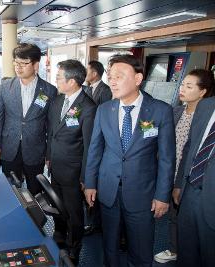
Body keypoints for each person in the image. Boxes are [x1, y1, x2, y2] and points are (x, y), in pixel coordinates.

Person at [84, 54, 176, 267]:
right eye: (110, 76)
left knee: (141, 251)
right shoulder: (104, 110)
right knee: (109, 247)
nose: (112, 81)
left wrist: (163, 196)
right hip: (108, 191)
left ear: (137, 79)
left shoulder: (160, 111)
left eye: (119, 76)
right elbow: (95, 150)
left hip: (143, 194)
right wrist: (90, 183)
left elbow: (166, 158)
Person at [154, 69, 214, 264]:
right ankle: (175, 248)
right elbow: (181, 145)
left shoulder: (203, 110)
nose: (183, 89)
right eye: (182, 84)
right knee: (177, 220)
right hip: (178, 176)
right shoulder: (186, 109)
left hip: (201, 183)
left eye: (189, 86)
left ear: (203, 91)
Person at [46, 59, 96, 265]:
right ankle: (59, 234)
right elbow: (52, 132)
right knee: (57, 205)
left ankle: (75, 246)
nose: (56, 80)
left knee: (74, 212)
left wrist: (85, 177)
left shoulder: (88, 107)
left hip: (74, 170)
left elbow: (89, 145)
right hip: (55, 165)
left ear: (73, 81)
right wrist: (48, 157)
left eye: (59, 77)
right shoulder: (58, 101)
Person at [0, 43, 57, 196]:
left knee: (35, 192)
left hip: (35, 149)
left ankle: (34, 220)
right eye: (16, 63)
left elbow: (51, 125)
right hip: (9, 147)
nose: (18, 67)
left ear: (35, 65)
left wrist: (49, 153)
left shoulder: (49, 90)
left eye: (24, 63)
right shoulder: (5, 86)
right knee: (9, 191)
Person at [173, 70, 215, 267]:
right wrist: (180, 184)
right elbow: (191, 147)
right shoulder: (206, 107)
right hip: (190, 189)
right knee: (187, 251)